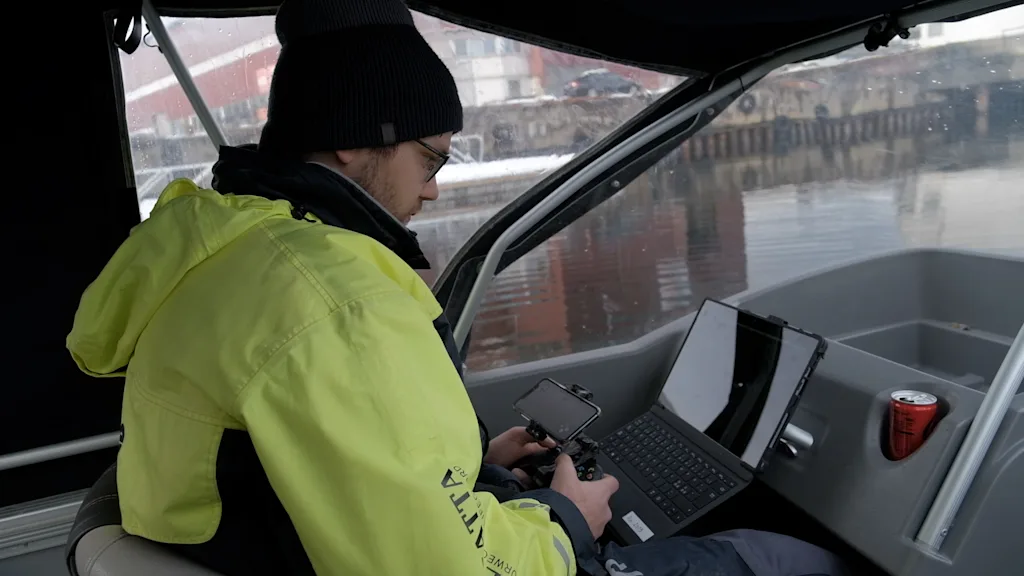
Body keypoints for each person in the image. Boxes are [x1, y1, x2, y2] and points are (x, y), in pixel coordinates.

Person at [66, 1, 848, 575]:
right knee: (788, 560)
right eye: (430, 158)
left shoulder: (222, 254)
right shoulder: (336, 301)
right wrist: (566, 520)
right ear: (353, 138)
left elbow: (314, 464)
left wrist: (475, 468)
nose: (434, 189)